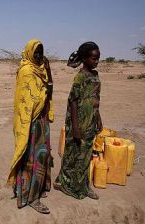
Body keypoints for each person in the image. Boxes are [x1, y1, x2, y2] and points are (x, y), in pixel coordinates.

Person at [7, 38, 54, 214]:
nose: (39, 55)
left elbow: (48, 92)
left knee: (41, 156)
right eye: (36, 52)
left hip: (41, 121)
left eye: (41, 52)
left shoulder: (42, 70)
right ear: (29, 52)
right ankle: (28, 196)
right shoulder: (26, 71)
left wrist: (49, 71)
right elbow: (27, 101)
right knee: (29, 158)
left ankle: (37, 190)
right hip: (30, 122)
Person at [54, 41, 102, 200]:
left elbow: (95, 99)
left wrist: (98, 118)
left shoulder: (95, 76)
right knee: (73, 154)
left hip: (90, 122)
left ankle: (83, 185)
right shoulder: (80, 77)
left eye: (98, 58)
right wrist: (75, 126)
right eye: (94, 58)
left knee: (86, 155)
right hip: (78, 122)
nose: (96, 61)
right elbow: (73, 101)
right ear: (85, 58)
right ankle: (64, 183)